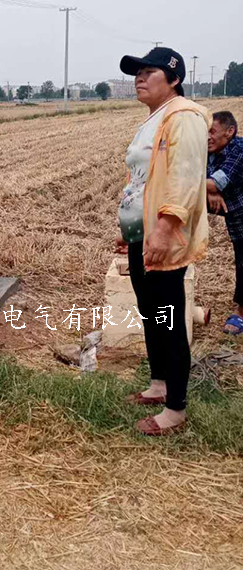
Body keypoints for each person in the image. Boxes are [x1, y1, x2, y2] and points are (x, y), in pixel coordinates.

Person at [115, 47, 210, 436]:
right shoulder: (154, 119)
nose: (139, 77)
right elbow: (142, 181)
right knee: (151, 313)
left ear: (173, 79)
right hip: (143, 236)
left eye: (148, 71)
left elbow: (185, 180)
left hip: (164, 239)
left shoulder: (183, 117)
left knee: (168, 318)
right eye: (136, 72)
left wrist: (164, 229)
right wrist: (131, 231)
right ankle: (158, 385)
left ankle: (175, 410)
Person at [205, 111, 243, 333]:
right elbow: (199, 175)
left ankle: (240, 313)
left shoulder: (239, 150)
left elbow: (217, 181)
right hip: (236, 218)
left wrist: (212, 187)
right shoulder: (210, 152)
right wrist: (209, 191)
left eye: (212, 132)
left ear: (230, 132)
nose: (207, 137)